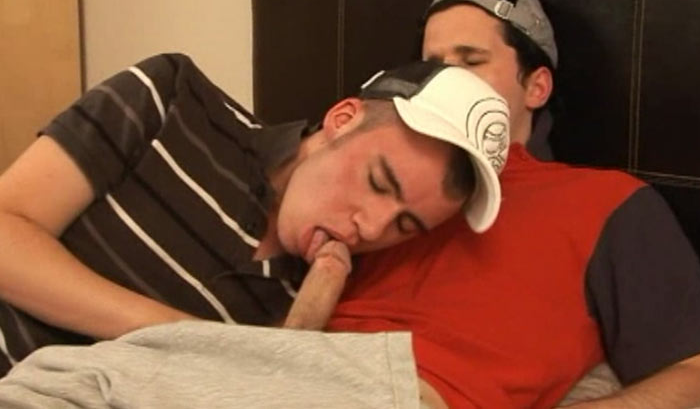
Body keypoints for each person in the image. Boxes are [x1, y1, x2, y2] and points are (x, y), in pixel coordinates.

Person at [0, 54, 511, 379]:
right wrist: (186, 336)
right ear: (343, 119)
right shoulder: (173, 97)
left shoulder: (326, 292)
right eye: (378, 182)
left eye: (405, 226)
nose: (372, 228)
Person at [325, 0, 700, 408]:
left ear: (536, 87)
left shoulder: (607, 202)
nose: (444, 82)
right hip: (306, 366)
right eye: (432, 66)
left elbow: (698, 369)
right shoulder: (387, 179)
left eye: (471, 61)